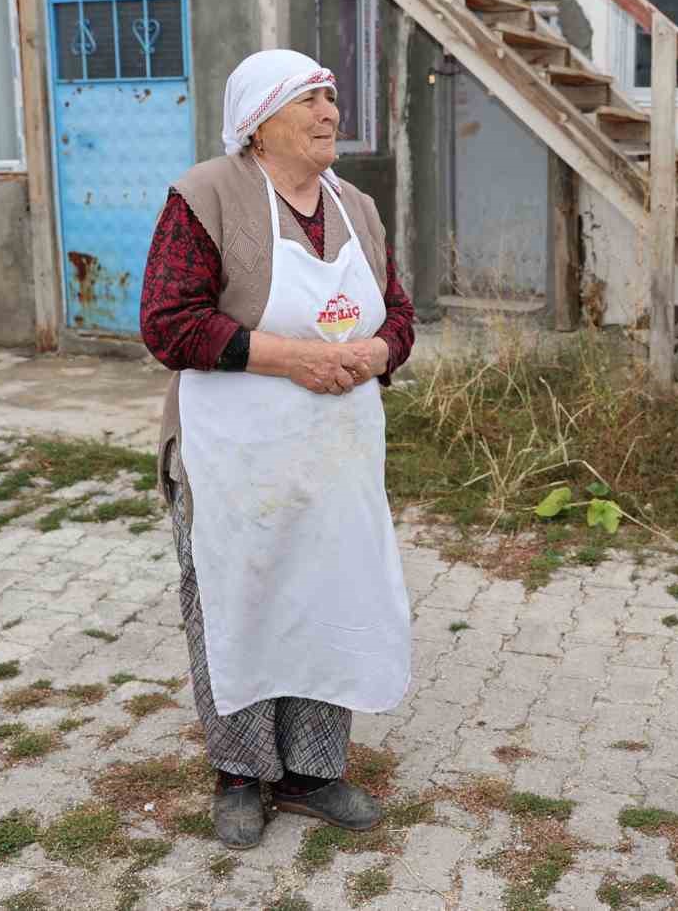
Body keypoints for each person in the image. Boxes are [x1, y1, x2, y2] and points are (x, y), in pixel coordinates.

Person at [139, 49, 417, 850]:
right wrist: (294, 358)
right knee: (237, 600)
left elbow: (398, 314)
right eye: (311, 100)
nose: (331, 112)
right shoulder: (206, 196)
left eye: (332, 97)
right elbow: (168, 322)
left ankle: (310, 773)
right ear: (260, 123)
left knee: (327, 594)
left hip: (333, 456)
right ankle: (237, 774)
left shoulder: (356, 204)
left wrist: (375, 354)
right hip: (233, 458)